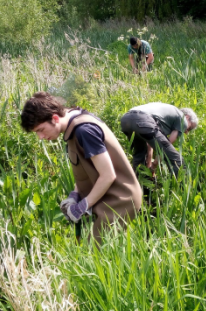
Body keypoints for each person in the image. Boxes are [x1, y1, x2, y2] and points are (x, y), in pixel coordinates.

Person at [21, 92, 142, 244]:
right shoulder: (72, 124)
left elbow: (108, 175)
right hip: (108, 199)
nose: (40, 137)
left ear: (55, 118)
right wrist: (75, 195)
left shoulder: (84, 131)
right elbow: (86, 170)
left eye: (41, 130)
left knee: (97, 255)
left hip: (120, 201)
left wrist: (82, 206)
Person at [120, 102, 198, 178]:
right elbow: (166, 147)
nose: (186, 132)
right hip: (143, 120)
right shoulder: (182, 119)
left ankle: (141, 186)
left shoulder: (166, 115)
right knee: (177, 160)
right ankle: (180, 189)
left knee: (140, 158)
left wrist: (149, 165)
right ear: (187, 117)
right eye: (189, 128)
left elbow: (150, 141)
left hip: (126, 119)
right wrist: (153, 166)